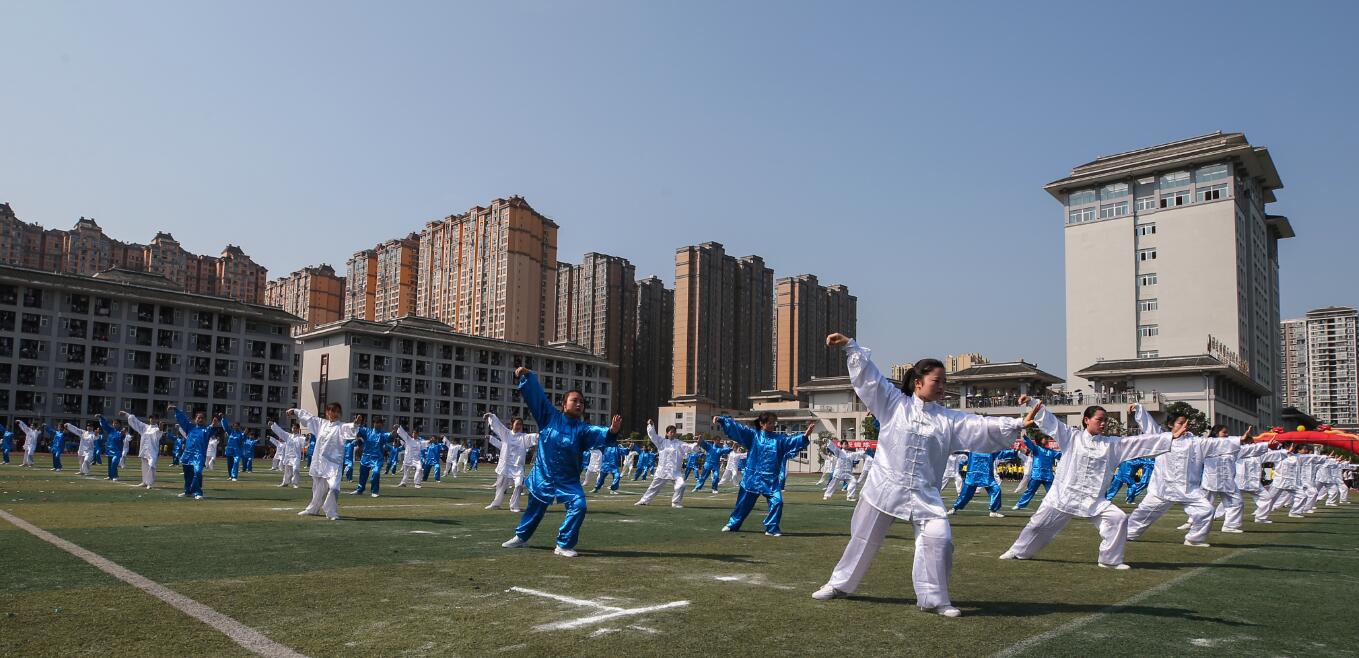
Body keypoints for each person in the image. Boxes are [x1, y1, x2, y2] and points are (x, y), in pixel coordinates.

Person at [811, 335, 1035, 617]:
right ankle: (838, 584)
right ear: (918, 382)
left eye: (944, 382)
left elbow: (979, 426)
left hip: (924, 493)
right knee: (862, 539)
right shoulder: (893, 404)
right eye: (936, 381)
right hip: (884, 487)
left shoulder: (948, 419)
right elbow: (871, 381)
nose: (942, 387)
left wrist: (1017, 423)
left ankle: (934, 598)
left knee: (940, 539)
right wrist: (851, 347)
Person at [999, 402, 1185, 569]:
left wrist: (1169, 438)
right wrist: (1032, 403)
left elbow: (1138, 442)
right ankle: (1017, 551)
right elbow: (1052, 423)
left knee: (1118, 518)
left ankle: (1110, 560)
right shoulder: (1071, 437)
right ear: (1086, 420)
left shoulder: (1112, 445)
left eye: (1105, 420)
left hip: (1093, 500)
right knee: (1037, 525)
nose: (1103, 423)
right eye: (1099, 420)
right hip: (1063, 495)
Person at [500, 367, 622, 557]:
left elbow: (600, 433)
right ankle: (521, 537)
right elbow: (538, 397)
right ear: (564, 405)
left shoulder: (583, 430)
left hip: (568, 479)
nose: (579, 404)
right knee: (535, 508)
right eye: (575, 400)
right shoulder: (549, 417)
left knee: (579, 505)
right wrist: (527, 376)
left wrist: (612, 430)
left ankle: (564, 545)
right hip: (543, 474)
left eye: (582, 402)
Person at [1125, 406, 1247, 548]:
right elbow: (1149, 426)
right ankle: (1126, 534)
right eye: (1180, 423)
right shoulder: (1162, 439)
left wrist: (1240, 439)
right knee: (1142, 514)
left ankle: (1194, 539)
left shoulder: (1196, 442)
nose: (1184, 426)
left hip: (1188, 490)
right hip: (1162, 489)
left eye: (1186, 423)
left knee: (1206, 510)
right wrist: (1139, 409)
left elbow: (1217, 443)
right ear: (1170, 424)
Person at [1196, 424, 1273, 533]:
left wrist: (1267, 445)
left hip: (1227, 482)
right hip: (1210, 481)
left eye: (1227, 432)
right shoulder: (1207, 445)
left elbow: (1250, 449)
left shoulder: (1233, 447)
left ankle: (1230, 526)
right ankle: (1193, 523)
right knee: (1203, 504)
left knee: (1236, 503)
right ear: (1216, 433)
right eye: (1224, 432)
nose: (1227, 434)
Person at [288, 403, 358, 521]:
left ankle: (331, 511)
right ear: (327, 412)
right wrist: (294, 411)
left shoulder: (341, 426)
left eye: (337, 411)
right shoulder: (321, 424)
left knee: (334, 487)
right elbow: (308, 417)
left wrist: (355, 424)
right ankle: (313, 509)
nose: (335, 414)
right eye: (332, 411)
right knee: (317, 488)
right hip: (319, 462)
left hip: (334, 464)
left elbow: (351, 428)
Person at [485, 413, 537, 510]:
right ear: (512, 424)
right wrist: (491, 416)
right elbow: (498, 425)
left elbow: (534, 437)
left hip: (517, 467)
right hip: (505, 465)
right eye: (517, 424)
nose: (519, 426)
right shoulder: (506, 434)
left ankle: (514, 505)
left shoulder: (524, 437)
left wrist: (540, 435)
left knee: (519, 485)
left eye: (520, 424)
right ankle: (496, 504)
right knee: (500, 486)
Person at [636, 421, 694, 508]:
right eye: (671, 432)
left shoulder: (679, 443)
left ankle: (675, 502)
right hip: (662, 470)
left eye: (674, 432)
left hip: (675, 471)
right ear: (667, 433)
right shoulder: (661, 442)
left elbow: (689, 447)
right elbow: (653, 436)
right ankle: (644, 501)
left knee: (681, 485)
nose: (673, 433)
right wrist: (651, 425)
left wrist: (698, 444)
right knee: (653, 487)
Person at [948, 447, 1018, 517]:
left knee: (996, 490)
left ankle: (993, 511)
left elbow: (1002, 453)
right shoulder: (972, 449)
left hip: (987, 476)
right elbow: (961, 450)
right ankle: (954, 508)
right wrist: (952, 449)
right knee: (965, 494)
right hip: (973, 476)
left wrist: (1015, 451)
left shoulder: (991, 450)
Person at [169, 406, 220, 499]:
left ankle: (198, 493)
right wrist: (175, 409)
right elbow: (183, 420)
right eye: (198, 418)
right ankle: (188, 491)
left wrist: (214, 424)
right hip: (187, 454)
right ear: (195, 419)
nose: (200, 419)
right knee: (187, 474)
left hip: (199, 455)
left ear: (205, 420)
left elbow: (213, 428)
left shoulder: (206, 430)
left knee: (198, 472)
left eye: (202, 418)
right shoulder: (190, 427)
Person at [1013, 435, 1061, 510]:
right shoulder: (1036, 449)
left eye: (1047, 438)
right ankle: (1019, 504)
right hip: (1037, 475)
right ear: (1040, 440)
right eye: (1045, 438)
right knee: (1030, 491)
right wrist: (1025, 437)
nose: (1046, 440)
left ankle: (1056, 507)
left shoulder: (1051, 451)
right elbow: (1030, 444)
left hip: (1048, 476)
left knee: (1053, 492)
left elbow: (1061, 455)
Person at [120, 411, 163, 488]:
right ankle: (144, 482)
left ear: (157, 420)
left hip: (152, 451)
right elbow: (136, 422)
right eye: (151, 418)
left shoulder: (157, 429)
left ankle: (150, 483)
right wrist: (126, 414)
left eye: (154, 418)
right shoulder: (145, 427)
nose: (152, 420)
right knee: (144, 466)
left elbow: (159, 433)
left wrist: (161, 428)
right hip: (144, 450)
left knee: (151, 465)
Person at [353, 417, 391, 497]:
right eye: (375, 422)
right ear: (373, 423)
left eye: (379, 423)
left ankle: (374, 491)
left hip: (377, 458)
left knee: (376, 472)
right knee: (363, 475)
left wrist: (395, 432)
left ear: (382, 425)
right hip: (366, 457)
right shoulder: (367, 431)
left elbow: (390, 436)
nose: (377, 424)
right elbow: (356, 429)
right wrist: (356, 422)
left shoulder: (383, 434)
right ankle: (360, 490)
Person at [269, 420, 306, 488]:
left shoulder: (301, 438)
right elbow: (280, 432)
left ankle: (295, 483)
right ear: (292, 429)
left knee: (296, 469)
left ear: (298, 429)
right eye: (293, 428)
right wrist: (273, 425)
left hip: (296, 457)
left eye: (296, 428)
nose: (294, 429)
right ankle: (285, 482)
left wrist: (307, 439)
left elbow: (305, 443)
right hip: (288, 456)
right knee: (287, 471)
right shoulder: (288, 436)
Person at [97, 415, 128, 481]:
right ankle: (110, 476)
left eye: (116, 423)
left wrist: (123, 434)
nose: (114, 424)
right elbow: (104, 425)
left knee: (114, 462)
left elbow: (122, 437)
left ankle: (115, 476)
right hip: (110, 450)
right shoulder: (111, 430)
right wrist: (101, 417)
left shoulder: (121, 432)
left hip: (117, 451)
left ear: (119, 424)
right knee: (110, 464)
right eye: (113, 423)